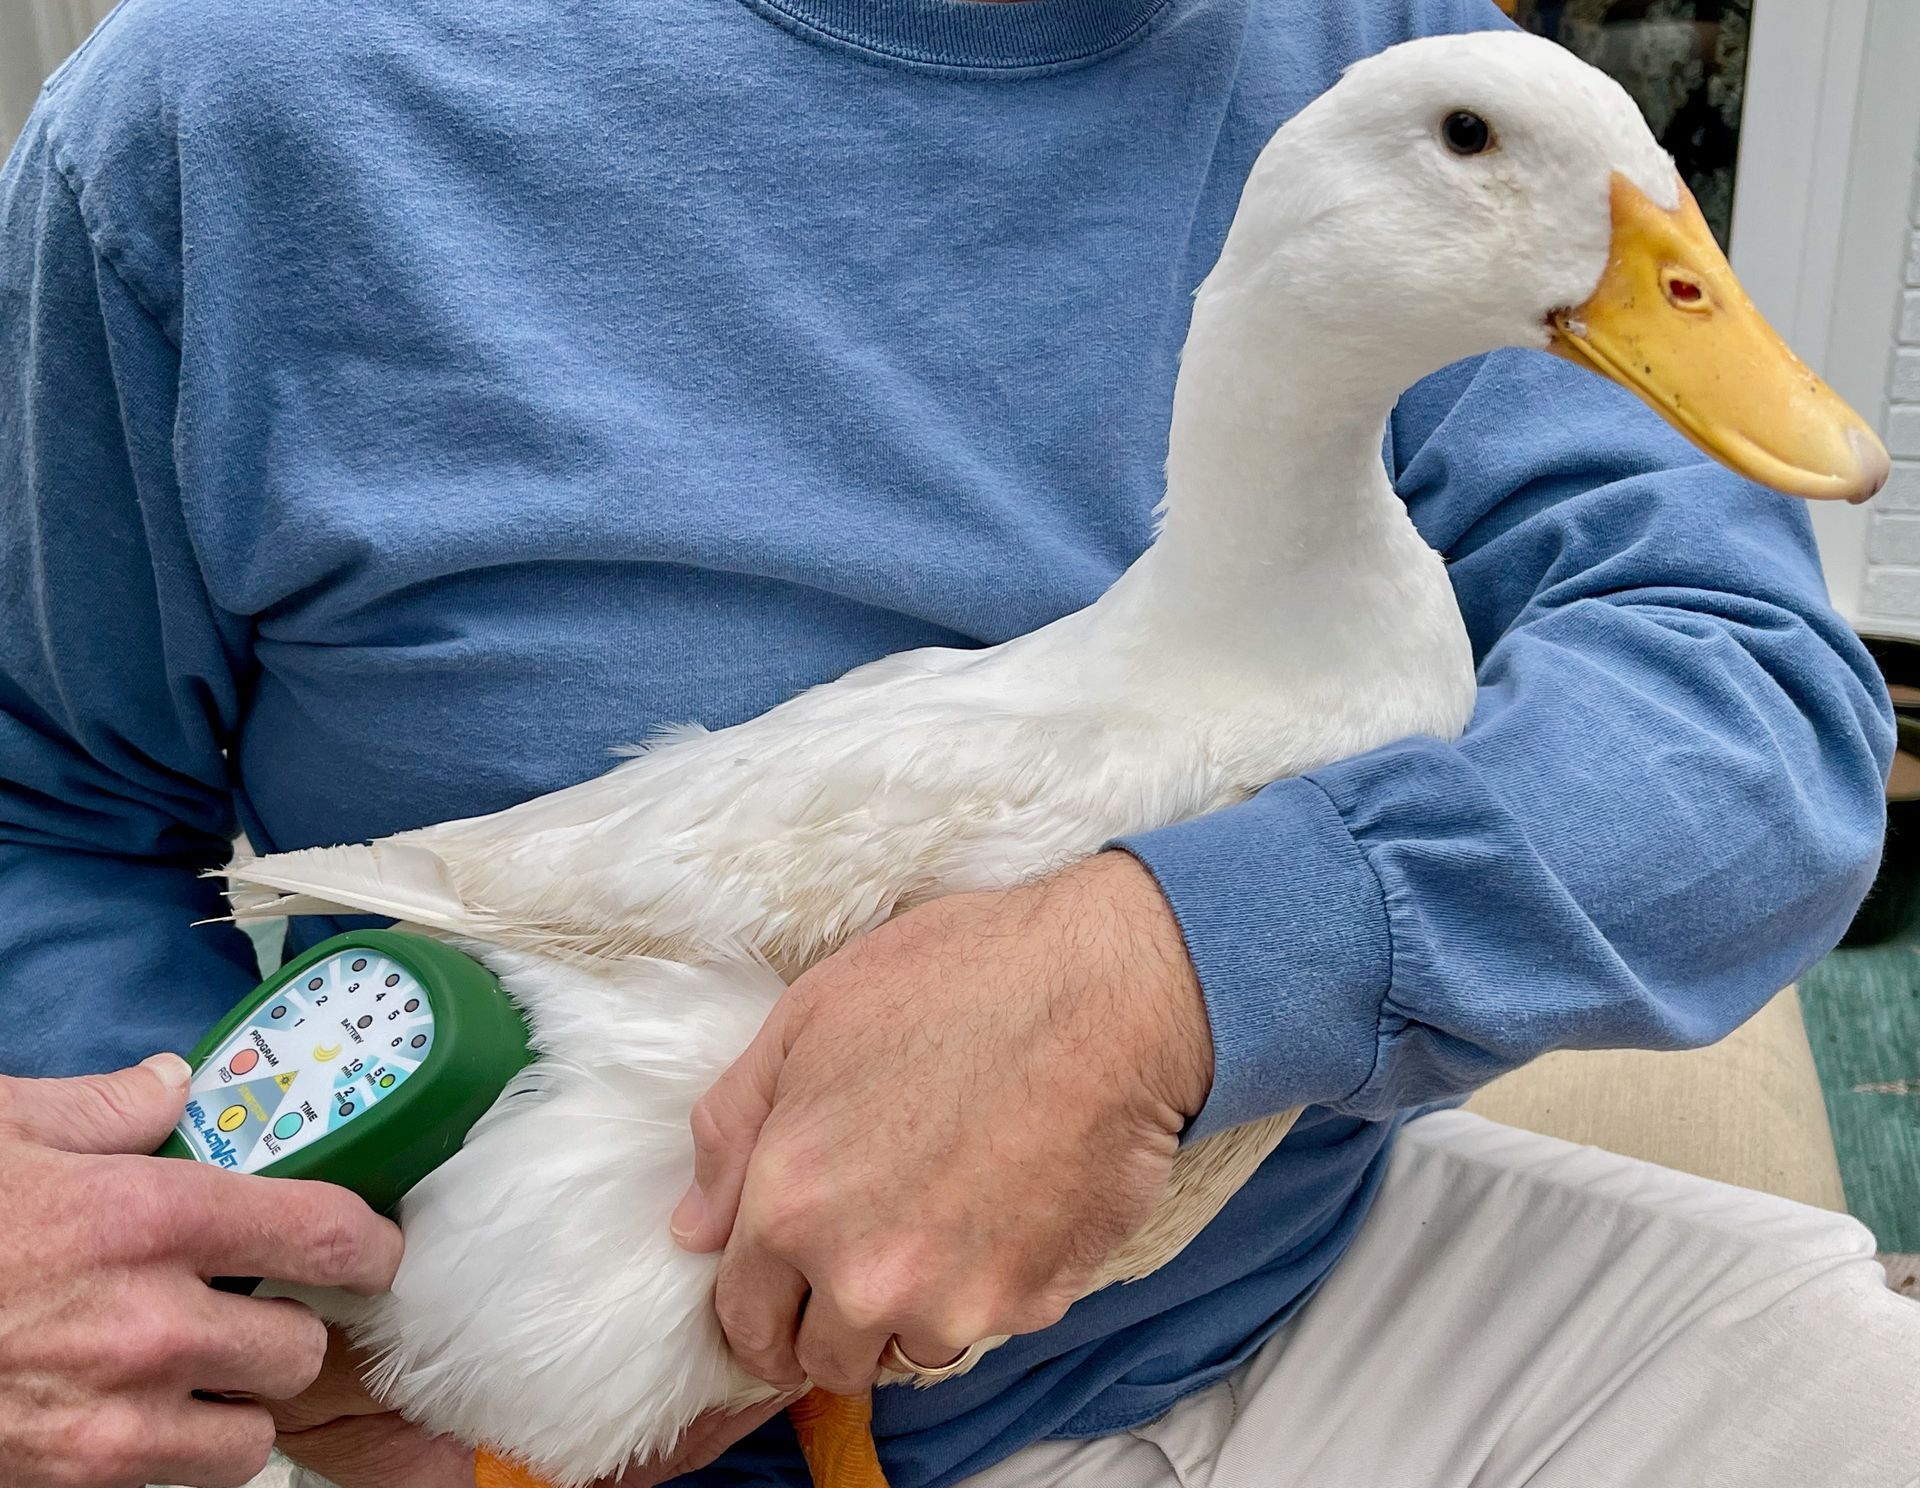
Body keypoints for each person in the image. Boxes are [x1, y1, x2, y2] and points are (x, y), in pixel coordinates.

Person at [1, 1, 1915, 1486]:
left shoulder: (1403, 76)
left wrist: (1162, 968)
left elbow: (1746, 700)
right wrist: (234, 1251)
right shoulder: (232, 105)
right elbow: (41, 806)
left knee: (1843, 1389)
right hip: (505, 1327)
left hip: (1256, 1327)